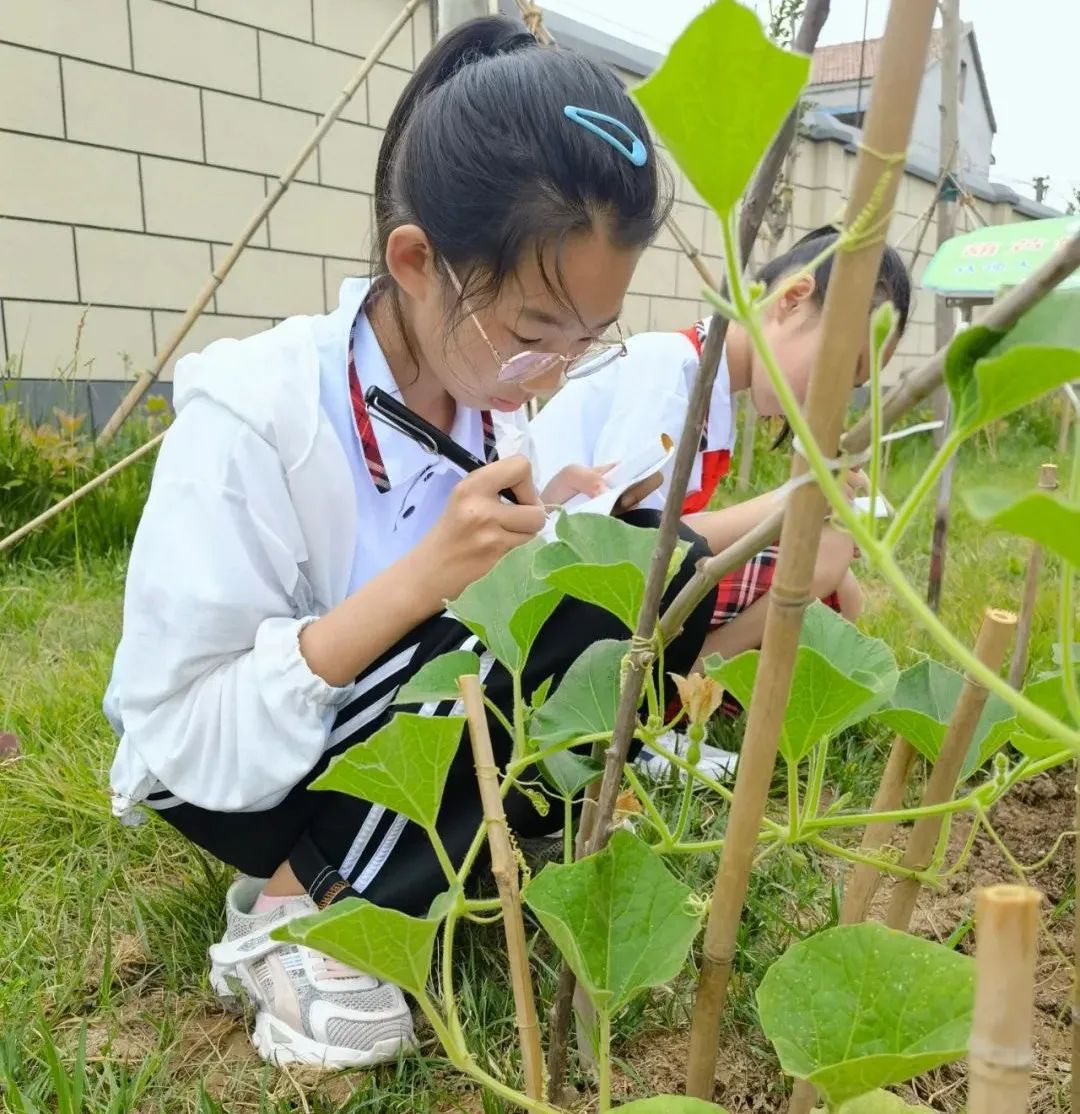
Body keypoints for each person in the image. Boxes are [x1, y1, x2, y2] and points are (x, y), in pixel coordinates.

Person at [103, 17, 720, 1070]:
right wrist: (432, 573)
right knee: (481, 626)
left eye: (587, 340)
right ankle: (300, 906)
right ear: (415, 260)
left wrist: (565, 528)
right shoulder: (256, 415)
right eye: (534, 333)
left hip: (384, 714)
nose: (558, 373)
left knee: (666, 570)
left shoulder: (488, 396)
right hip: (229, 762)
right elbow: (179, 724)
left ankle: (424, 860)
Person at [525, 226, 912, 666]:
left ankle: (692, 676)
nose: (837, 399)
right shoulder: (671, 371)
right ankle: (686, 677)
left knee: (840, 589)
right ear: (792, 299)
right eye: (843, 369)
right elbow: (626, 546)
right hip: (552, 607)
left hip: (592, 602)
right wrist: (788, 503)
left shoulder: (708, 390)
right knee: (822, 555)